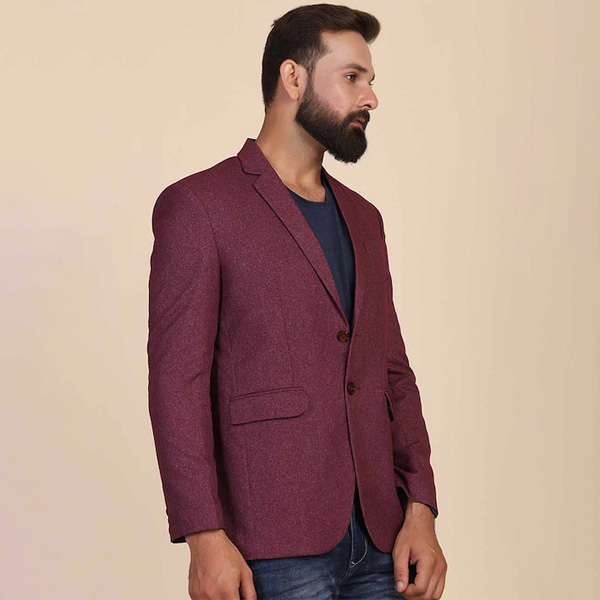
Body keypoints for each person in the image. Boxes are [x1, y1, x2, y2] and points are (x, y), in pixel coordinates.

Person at [147, 4, 447, 599]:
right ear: (293, 78)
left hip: (382, 539)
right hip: (271, 540)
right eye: (352, 77)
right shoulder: (200, 207)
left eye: (370, 80)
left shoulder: (364, 219)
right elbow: (177, 383)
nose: (370, 98)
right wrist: (204, 536)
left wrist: (421, 508)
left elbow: (391, 373)